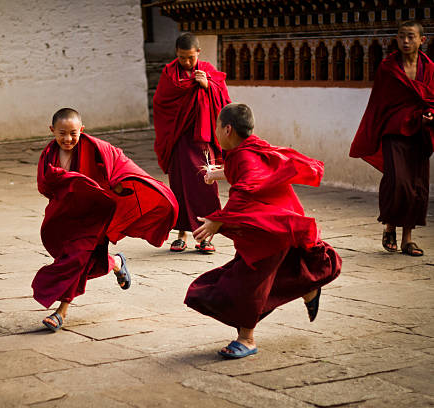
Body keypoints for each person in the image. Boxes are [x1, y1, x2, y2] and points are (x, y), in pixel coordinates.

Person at [184, 103, 342, 359]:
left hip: (271, 228)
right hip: (273, 225)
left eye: (216, 127)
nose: (215, 132)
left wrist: (217, 220)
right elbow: (246, 174)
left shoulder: (245, 156)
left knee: (247, 285)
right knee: (264, 276)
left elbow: (245, 192)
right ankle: (308, 288)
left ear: (227, 129)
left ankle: (246, 339)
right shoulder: (247, 149)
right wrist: (218, 174)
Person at [33, 108, 178, 332]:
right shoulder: (48, 155)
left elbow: (119, 161)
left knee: (78, 259)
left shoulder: (96, 148)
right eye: (62, 133)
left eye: (73, 133)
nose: (68, 139)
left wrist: (118, 181)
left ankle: (60, 312)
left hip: (96, 214)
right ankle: (116, 262)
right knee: (84, 260)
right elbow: (45, 185)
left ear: (82, 130)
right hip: (69, 215)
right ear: (52, 130)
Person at [350, 20, 433, 256]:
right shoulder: (388, 67)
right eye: (401, 36)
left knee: (416, 185)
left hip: (419, 132)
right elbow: (380, 103)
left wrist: (430, 115)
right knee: (398, 182)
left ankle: (408, 239)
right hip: (393, 131)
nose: (405, 41)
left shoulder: (430, 69)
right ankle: (389, 226)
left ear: (421, 40)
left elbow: (432, 99)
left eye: (410, 37)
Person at [153, 32, 231, 254]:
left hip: (202, 140)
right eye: (182, 57)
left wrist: (208, 86)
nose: (186, 62)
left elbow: (225, 102)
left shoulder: (209, 72)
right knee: (179, 186)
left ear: (198, 52)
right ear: (176, 55)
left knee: (205, 186)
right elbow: (160, 104)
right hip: (179, 140)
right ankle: (180, 234)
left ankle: (206, 237)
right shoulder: (170, 74)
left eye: (190, 57)